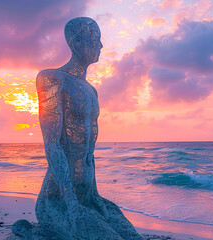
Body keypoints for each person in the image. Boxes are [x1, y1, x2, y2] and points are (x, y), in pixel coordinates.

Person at [34, 17, 143, 240]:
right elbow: (52, 145)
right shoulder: (53, 78)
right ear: (76, 43)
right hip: (58, 199)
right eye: (95, 39)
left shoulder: (92, 91)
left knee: (131, 235)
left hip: (89, 197)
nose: (101, 46)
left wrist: (93, 197)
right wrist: (71, 202)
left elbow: (88, 154)